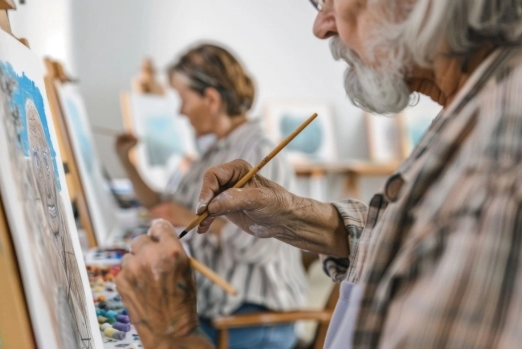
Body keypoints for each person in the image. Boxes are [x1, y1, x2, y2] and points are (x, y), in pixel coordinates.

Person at [117, 0, 522, 348]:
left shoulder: (497, 164)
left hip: (252, 317)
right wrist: (292, 214)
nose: (321, 26)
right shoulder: (470, 113)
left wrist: (174, 335)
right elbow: (419, 246)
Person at [115, 43, 307, 348]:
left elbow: (259, 245)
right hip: (217, 311)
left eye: (182, 99)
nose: (180, 110)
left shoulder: (257, 151)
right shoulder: (214, 151)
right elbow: (164, 206)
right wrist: (127, 160)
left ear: (211, 99)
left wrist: (189, 218)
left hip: (254, 319)